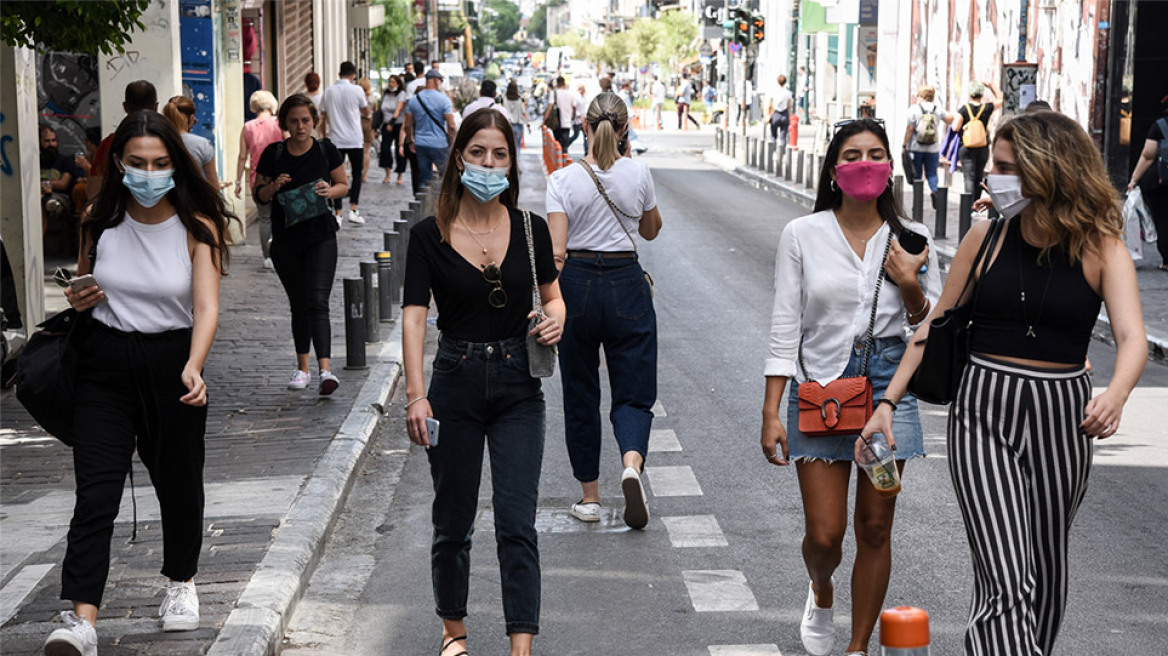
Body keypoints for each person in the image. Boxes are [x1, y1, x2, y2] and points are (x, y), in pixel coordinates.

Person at [863, 110, 1146, 656]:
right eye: (994, 164)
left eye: (1006, 166)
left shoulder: (1100, 245)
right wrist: (887, 403)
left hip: (1063, 416)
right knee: (1006, 578)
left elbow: (1133, 336)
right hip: (984, 411)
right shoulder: (984, 238)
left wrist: (1115, 396)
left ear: (1048, 170)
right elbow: (931, 331)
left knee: (1045, 573)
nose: (992, 176)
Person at [45, 109, 232, 655]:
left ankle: (181, 581)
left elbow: (206, 305)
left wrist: (195, 365)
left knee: (178, 483)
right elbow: (83, 286)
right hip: (103, 366)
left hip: (173, 362)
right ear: (120, 164)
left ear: (175, 164)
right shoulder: (99, 221)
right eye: (137, 163)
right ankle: (82, 618)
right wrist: (78, 296)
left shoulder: (199, 225)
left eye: (160, 163)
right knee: (96, 492)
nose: (149, 173)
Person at [760, 118, 940, 656]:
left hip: (889, 387)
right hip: (820, 387)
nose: (866, 164)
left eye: (877, 154)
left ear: (890, 168)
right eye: (854, 155)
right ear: (834, 171)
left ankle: (857, 648)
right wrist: (772, 410)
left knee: (876, 526)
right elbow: (784, 325)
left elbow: (923, 329)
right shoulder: (802, 234)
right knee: (824, 535)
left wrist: (911, 285)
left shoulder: (914, 239)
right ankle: (821, 589)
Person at [401, 108, 565, 656]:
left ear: (512, 163)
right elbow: (414, 317)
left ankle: (521, 645)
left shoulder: (530, 228)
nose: (488, 164)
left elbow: (552, 296)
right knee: (453, 523)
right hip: (454, 382)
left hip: (520, 385)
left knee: (518, 522)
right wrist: (416, 396)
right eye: (477, 153)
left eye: (499, 155)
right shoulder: (429, 236)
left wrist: (556, 316)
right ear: (459, 158)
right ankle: (455, 634)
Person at [546, 92, 664, 530]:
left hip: (575, 283)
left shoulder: (563, 179)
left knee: (580, 391)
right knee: (633, 390)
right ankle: (631, 463)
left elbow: (556, 252)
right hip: (626, 284)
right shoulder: (639, 172)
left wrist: (547, 302)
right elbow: (650, 232)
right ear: (625, 131)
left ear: (584, 129)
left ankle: (590, 498)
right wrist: (631, 173)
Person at [253, 94, 350, 395]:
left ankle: (325, 371)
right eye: (293, 121)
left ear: (314, 121)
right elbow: (259, 195)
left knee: (317, 301)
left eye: (305, 120)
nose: (300, 126)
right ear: (284, 123)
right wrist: (274, 186)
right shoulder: (274, 153)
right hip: (286, 241)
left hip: (321, 236)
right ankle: (302, 368)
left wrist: (328, 191)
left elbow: (344, 185)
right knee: (299, 304)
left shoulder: (325, 150)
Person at [234, 90, 284, 270]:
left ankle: (267, 257)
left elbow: (242, 156)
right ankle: (280, 249)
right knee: (282, 215)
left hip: (258, 180)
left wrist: (238, 181)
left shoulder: (248, 127)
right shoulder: (280, 124)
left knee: (265, 218)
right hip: (280, 177)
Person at [89, 80, 158, 201]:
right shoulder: (168, 141)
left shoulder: (109, 144)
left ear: (125, 107)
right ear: (156, 107)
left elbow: (94, 191)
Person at [319, 61, 370, 225]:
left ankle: (338, 212)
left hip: (335, 139)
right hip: (354, 138)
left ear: (339, 73)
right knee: (357, 174)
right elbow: (366, 111)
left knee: (335, 177)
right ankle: (353, 209)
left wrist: (324, 133)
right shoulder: (357, 90)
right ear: (353, 75)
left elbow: (323, 115)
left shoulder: (328, 91)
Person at [1127, 97, 1168, 270]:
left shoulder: (1161, 126)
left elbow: (1148, 156)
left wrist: (1134, 179)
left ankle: (1167, 261)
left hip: (1161, 183)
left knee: (1163, 219)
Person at [404, 68, 456, 191]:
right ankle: (439, 202)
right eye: (441, 80)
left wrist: (410, 140)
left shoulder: (414, 100)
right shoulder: (444, 100)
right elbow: (452, 126)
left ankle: (423, 206)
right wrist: (453, 143)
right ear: (436, 80)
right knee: (447, 176)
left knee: (424, 178)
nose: (441, 83)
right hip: (439, 143)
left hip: (421, 143)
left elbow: (407, 125)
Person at [902, 86, 953, 209]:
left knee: (917, 175)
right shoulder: (937, 109)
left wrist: (904, 144)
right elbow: (950, 119)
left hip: (916, 148)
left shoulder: (914, 109)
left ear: (921, 96)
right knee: (932, 173)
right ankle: (934, 191)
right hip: (933, 148)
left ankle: (917, 202)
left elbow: (910, 129)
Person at [950, 80, 1002, 200]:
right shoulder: (986, 108)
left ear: (970, 94)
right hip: (982, 147)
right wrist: (992, 86)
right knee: (979, 176)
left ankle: (967, 205)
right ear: (982, 95)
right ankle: (975, 204)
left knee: (968, 177)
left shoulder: (964, 109)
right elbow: (1000, 100)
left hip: (966, 147)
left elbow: (955, 127)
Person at [163, 95, 222, 190]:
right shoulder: (202, 144)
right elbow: (214, 186)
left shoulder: (158, 141)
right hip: (193, 202)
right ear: (191, 118)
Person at [39, 125, 80, 238]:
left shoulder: (65, 160)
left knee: (43, 202)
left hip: (60, 198)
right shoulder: (36, 161)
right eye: (46, 141)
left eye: (53, 140)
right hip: (41, 196)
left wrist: (42, 184)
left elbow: (63, 184)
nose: (51, 144)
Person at [379, 75, 409, 185]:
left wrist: (392, 122)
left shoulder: (401, 94)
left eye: (393, 82)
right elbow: (381, 109)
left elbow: (398, 109)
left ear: (398, 84)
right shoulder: (385, 93)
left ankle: (399, 175)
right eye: (389, 82)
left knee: (399, 149)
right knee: (385, 148)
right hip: (385, 123)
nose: (391, 84)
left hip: (398, 124)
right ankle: (387, 173)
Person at [543, 76, 574, 154]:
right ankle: (565, 160)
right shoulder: (570, 94)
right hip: (567, 122)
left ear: (557, 83)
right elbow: (574, 107)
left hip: (556, 123)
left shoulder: (553, 93)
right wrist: (572, 117)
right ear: (564, 83)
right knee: (565, 145)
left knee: (558, 144)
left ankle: (559, 162)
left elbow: (550, 107)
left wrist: (544, 120)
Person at [357, 77, 377, 184]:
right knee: (367, 150)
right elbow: (376, 111)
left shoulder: (357, 97)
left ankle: (358, 171)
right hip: (369, 123)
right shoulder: (373, 98)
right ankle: (365, 175)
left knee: (357, 149)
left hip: (358, 122)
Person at [502, 80, 529, 151]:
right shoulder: (519, 100)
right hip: (518, 125)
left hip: (507, 125)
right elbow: (523, 112)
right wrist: (528, 124)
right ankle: (518, 160)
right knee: (517, 146)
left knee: (508, 146)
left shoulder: (504, 99)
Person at [770, 75, 794, 145]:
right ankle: (782, 152)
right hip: (784, 114)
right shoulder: (788, 93)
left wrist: (770, 114)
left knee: (773, 135)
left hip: (775, 114)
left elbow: (770, 105)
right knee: (783, 137)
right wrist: (788, 115)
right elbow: (789, 106)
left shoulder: (774, 92)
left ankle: (773, 150)